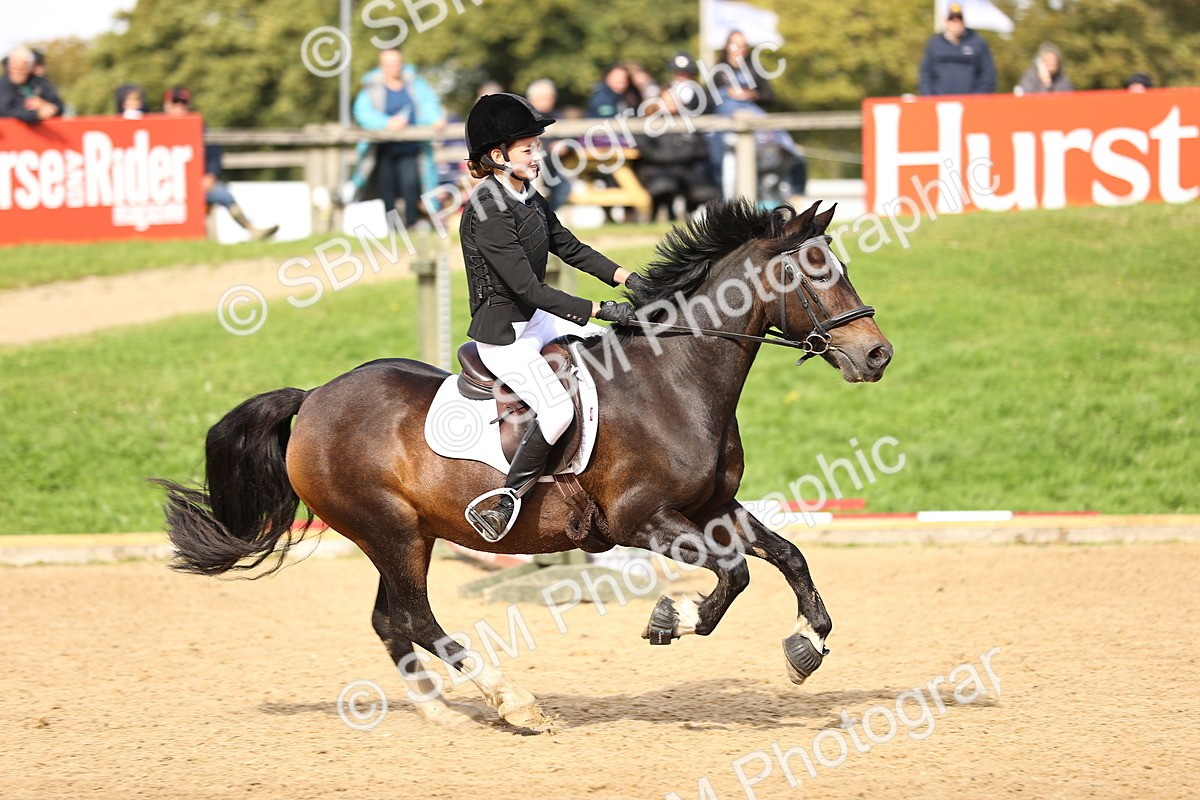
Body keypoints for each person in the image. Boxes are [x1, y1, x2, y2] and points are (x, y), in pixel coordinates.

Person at [459, 92, 642, 541]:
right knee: (557, 409)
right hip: (504, 335)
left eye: (537, 145)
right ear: (498, 156)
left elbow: (570, 247)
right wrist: (596, 308)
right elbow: (528, 288)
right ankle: (507, 500)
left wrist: (629, 279)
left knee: (612, 348)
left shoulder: (526, 194)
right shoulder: (486, 211)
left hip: (537, 321)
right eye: (529, 148)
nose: (538, 154)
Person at [164, 86, 278, 240]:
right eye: (175, 102)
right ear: (167, 104)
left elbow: (214, 155)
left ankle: (252, 230)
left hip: (198, 184)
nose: (179, 107)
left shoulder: (199, 127)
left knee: (222, 194)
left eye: (182, 102)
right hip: (167, 186)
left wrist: (211, 174)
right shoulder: (155, 127)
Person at [352, 48, 445, 229]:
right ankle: (392, 230)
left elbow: (428, 104)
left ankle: (411, 225)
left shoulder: (415, 84)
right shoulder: (372, 88)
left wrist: (436, 118)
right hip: (383, 150)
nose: (392, 68)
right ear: (381, 66)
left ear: (401, 64)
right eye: (388, 64)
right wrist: (387, 122)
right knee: (388, 192)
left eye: (395, 64)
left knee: (411, 187)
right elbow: (362, 113)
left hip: (411, 148)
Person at [635, 90, 719, 221]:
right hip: (656, 170)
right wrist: (670, 157)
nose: (672, 103)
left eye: (675, 100)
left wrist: (682, 155)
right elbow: (645, 149)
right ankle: (660, 218)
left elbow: (700, 148)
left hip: (685, 168)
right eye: (668, 100)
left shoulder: (688, 121)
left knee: (705, 191)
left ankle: (692, 219)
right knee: (664, 186)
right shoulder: (648, 121)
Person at [918, 3, 997, 96]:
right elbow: (925, 75)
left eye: (959, 19)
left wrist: (978, 98)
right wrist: (930, 98)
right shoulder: (935, 44)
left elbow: (988, 75)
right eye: (952, 20)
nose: (956, 23)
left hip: (971, 104)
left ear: (964, 21)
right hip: (940, 104)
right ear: (946, 21)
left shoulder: (977, 42)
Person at [526, 78, 572, 211]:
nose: (548, 101)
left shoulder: (559, 116)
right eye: (543, 98)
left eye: (550, 97)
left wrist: (565, 146)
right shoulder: (524, 118)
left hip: (551, 169)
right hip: (526, 168)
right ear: (532, 99)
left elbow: (572, 139)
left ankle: (545, 220)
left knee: (563, 188)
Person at [0, 46, 63, 123]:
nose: (17, 72)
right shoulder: (3, 85)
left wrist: (44, 105)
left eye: (21, 69)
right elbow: (5, 111)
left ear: (29, 68)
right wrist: (35, 115)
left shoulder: (39, 82)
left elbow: (59, 106)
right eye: (14, 68)